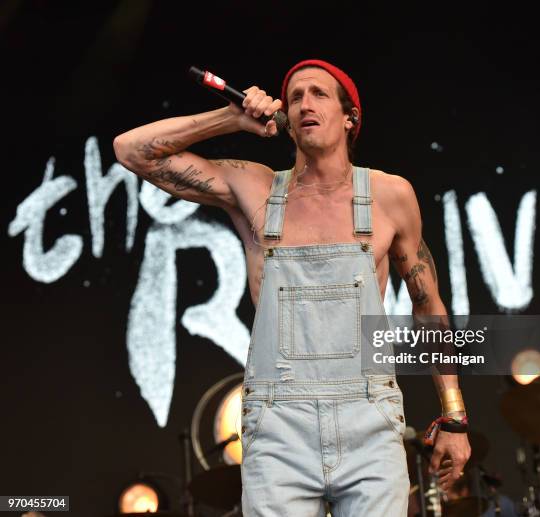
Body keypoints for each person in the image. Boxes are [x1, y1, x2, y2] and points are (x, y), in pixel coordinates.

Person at [114, 59, 470, 516]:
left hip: (370, 419)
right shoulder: (255, 188)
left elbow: (428, 304)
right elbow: (132, 150)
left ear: (350, 117)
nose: (305, 103)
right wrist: (232, 118)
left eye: (319, 94)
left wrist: (454, 414)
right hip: (278, 426)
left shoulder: (389, 195)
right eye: (296, 95)